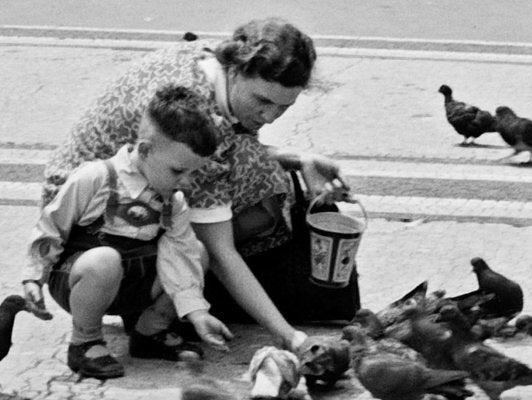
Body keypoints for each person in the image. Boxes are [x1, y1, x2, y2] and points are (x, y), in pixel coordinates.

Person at [40, 17, 360, 353]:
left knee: (264, 176)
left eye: (283, 107)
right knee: (217, 236)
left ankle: (171, 295)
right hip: (85, 237)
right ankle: (152, 302)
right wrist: (289, 335)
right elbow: (221, 253)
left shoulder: (206, 61)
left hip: (119, 192)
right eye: (262, 101)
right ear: (236, 70)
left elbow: (236, 147)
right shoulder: (202, 122)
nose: (269, 116)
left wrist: (300, 160)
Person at [23, 85, 233, 379]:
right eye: (177, 171)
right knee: (104, 261)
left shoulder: (173, 202)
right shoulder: (97, 177)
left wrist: (196, 312)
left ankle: (149, 331)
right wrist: (35, 276)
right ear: (145, 150)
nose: (186, 182)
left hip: (134, 284)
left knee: (196, 252)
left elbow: (181, 257)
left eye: (193, 173)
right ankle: (85, 341)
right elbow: (51, 227)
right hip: (79, 279)